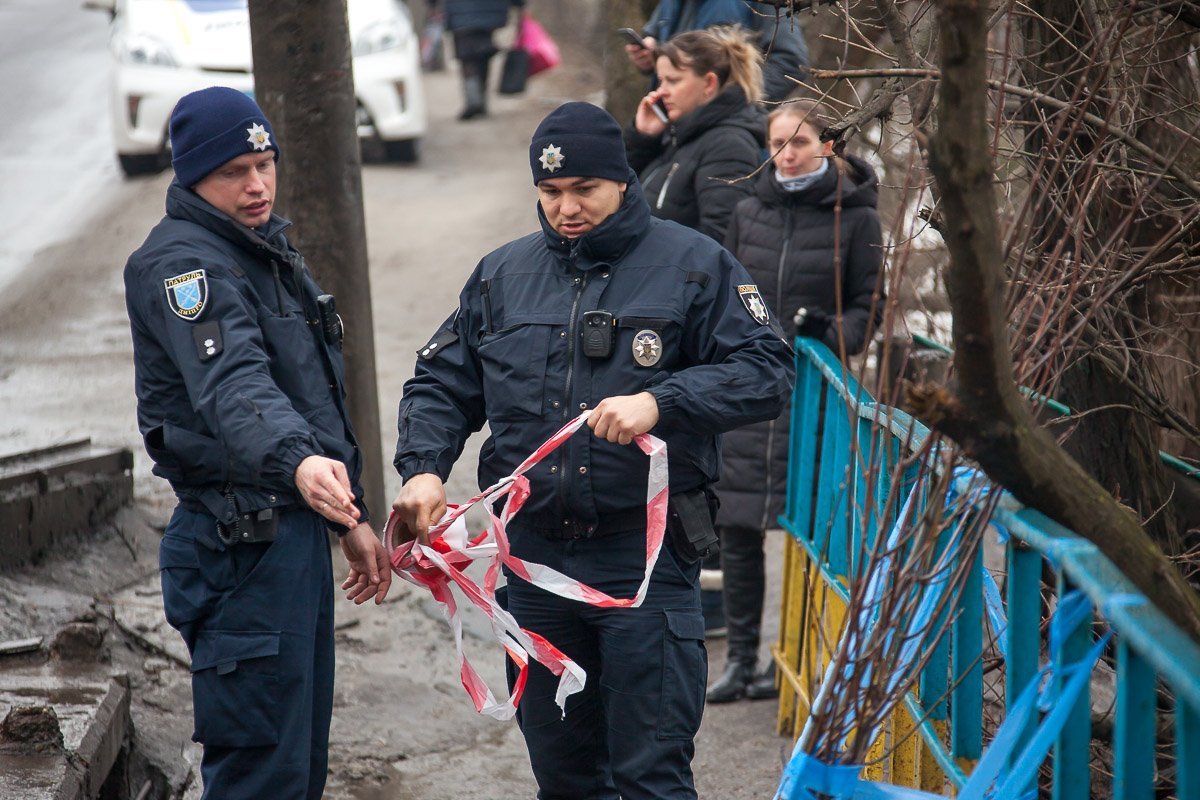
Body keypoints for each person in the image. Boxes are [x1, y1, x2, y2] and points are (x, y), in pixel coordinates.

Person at [391, 102, 793, 799]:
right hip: (536, 569)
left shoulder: (694, 265)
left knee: (650, 777)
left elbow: (767, 370)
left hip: (645, 565)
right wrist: (423, 470)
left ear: (622, 183)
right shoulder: (500, 275)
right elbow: (440, 384)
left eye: (583, 191)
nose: (565, 209)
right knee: (565, 778)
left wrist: (662, 401)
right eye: (550, 194)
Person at [123, 87, 392, 799]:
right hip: (236, 549)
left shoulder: (260, 247)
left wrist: (350, 517)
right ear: (191, 178)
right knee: (260, 776)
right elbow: (234, 386)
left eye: (264, 164)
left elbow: (307, 396)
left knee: (298, 769)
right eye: (233, 172)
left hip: (289, 534)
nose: (256, 185)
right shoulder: (186, 267)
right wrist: (302, 465)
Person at [706, 96, 884, 703]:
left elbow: (869, 306)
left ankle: (803, 663)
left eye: (799, 143)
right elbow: (728, 291)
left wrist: (827, 332)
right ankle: (743, 662)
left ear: (828, 146)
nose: (786, 155)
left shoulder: (855, 216)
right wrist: (742, 336)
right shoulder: (749, 208)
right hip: (750, 389)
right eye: (777, 144)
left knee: (812, 532)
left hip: (815, 395)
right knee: (738, 526)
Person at [625, 26, 765, 245]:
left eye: (673, 80)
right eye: (660, 80)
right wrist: (643, 139)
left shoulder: (728, 145)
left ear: (709, 83)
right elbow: (621, 194)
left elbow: (720, 241)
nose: (661, 91)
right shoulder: (680, 137)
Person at [625, 0, 809, 104]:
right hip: (669, 134)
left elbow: (791, 61)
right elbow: (662, 46)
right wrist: (649, 57)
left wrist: (735, 103)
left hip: (727, 136)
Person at [432, 0, 524, 120]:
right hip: (490, 13)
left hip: (460, 14)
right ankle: (480, 100)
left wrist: (432, 5)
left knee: (467, 58)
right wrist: (519, 4)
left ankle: (474, 99)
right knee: (483, 55)